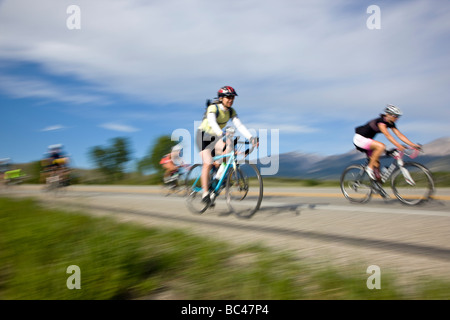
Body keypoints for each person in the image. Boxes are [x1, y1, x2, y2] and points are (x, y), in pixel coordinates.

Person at [196, 86, 258, 203]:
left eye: (232, 97)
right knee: (208, 162)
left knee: (228, 150)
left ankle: (217, 179)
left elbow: (239, 125)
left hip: (215, 137)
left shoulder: (231, 111)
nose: (231, 100)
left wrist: (251, 137)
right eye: (228, 97)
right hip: (203, 136)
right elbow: (212, 122)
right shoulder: (213, 108)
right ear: (221, 98)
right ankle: (205, 194)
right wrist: (221, 133)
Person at [353, 104, 421, 180]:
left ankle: (377, 187)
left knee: (377, 168)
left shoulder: (390, 123)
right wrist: (399, 146)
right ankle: (369, 168)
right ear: (388, 115)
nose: (397, 119)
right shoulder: (381, 122)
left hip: (367, 141)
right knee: (381, 146)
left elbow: (399, 135)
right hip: (360, 139)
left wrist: (413, 145)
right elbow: (388, 135)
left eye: (398, 117)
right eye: (395, 116)